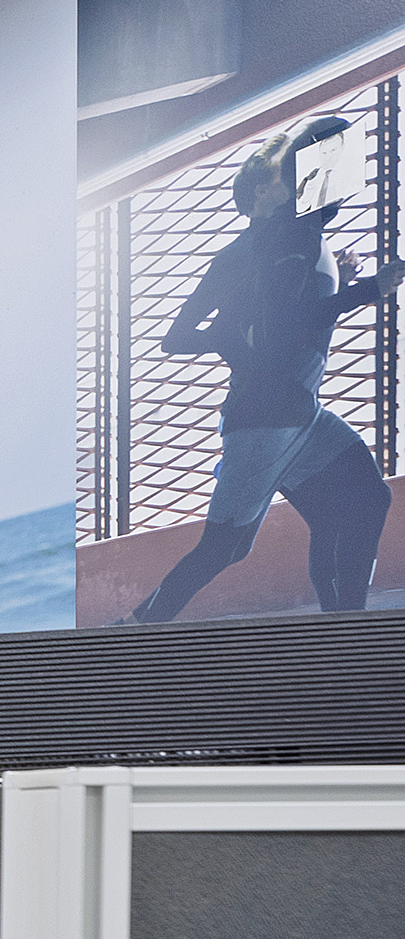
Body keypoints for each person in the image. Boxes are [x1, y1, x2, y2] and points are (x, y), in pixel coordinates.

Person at [131, 114, 397, 622]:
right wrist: (371, 289)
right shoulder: (262, 247)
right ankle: (137, 626)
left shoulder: (289, 241)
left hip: (302, 414)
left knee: (364, 500)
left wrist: (334, 282)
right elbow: (189, 336)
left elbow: (283, 314)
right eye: (282, 175)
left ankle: (346, 628)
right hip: (264, 421)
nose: (296, 180)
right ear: (259, 194)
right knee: (226, 548)